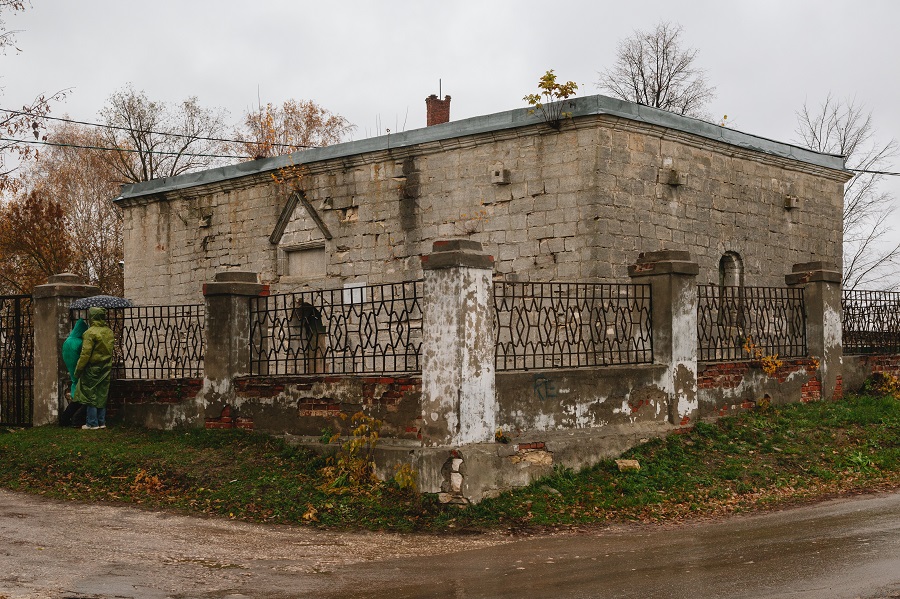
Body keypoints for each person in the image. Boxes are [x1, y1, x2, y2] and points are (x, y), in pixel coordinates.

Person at [73, 306, 114, 430]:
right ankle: (102, 422)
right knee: (102, 393)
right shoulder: (109, 332)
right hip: (106, 367)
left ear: (92, 317)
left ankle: (92, 423)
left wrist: (78, 370)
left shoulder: (90, 333)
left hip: (92, 368)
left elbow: (85, 354)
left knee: (90, 395)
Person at [60, 318, 89, 427]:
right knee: (81, 396)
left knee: (76, 393)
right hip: (79, 369)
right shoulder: (79, 342)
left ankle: (65, 419)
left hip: (71, 368)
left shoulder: (68, 341)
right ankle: (74, 419)